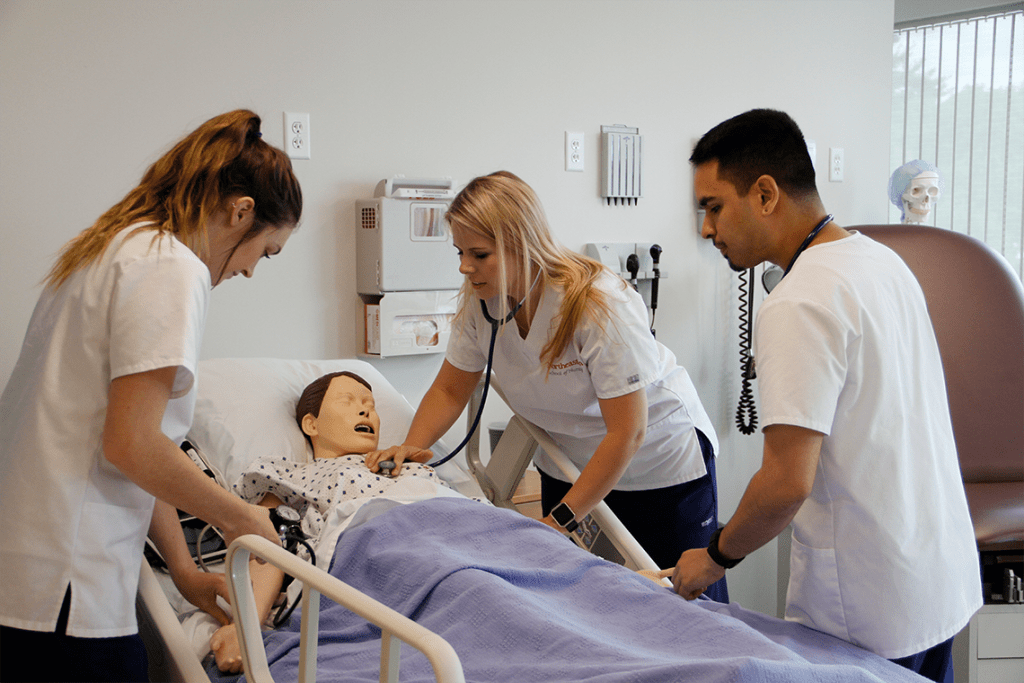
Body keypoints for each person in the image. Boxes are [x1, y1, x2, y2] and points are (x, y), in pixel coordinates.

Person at [675, 108, 981, 682]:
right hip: (938, 580)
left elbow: (787, 482)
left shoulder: (797, 301)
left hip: (869, 609)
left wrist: (712, 558)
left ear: (765, 193)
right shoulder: (882, 261)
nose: (705, 230)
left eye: (714, 208)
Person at [0, 109, 302, 683]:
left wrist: (186, 573)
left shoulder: (107, 249)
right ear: (241, 211)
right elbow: (132, 445)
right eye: (265, 251)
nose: (250, 272)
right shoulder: (171, 268)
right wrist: (242, 519)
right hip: (66, 581)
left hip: (31, 567)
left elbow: (144, 446)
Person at [364, 171, 726, 600]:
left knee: (685, 605)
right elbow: (449, 390)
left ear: (522, 243)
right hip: (570, 467)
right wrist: (412, 447)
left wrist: (562, 519)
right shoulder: (481, 304)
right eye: (460, 251)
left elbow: (628, 430)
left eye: (479, 254)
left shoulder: (595, 302)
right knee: (579, 601)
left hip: (657, 467)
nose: (464, 267)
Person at [211, 370, 447, 673]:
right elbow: (267, 542)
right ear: (311, 424)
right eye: (348, 401)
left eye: (370, 405)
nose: (365, 411)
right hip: (380, 556)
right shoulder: (289, 476)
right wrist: (246, 627)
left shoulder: (405, 465)